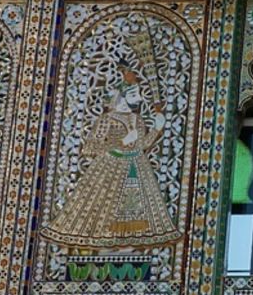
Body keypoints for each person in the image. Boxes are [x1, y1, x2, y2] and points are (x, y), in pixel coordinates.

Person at [42, 67, 180, 249]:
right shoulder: (107, 120)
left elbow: (142, 145)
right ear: (122, 96)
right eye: (134, 94)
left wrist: (156, 129)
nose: (138, 98)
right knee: (106, 207)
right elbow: (90, 147)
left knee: (134, 208)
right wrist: (121, 142)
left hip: (136, 165)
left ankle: (130, 244)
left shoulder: (137, 119)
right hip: (111, 166)